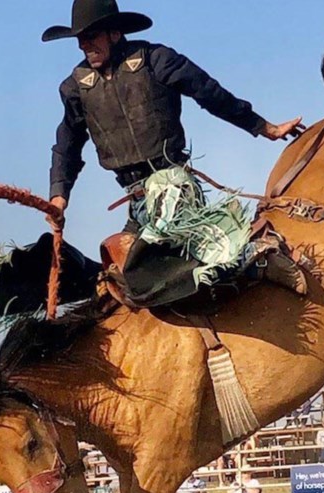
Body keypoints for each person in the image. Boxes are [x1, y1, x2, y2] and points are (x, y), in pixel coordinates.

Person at [40, 0, 307, 308]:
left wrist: (263, 127)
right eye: (80, 39)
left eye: (92, 36)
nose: (85, 44)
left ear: (114, 34)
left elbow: (209, 93)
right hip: (137, 200)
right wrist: (59, 195)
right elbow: (67, 145)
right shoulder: (75, 88)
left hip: (172, 185)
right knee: (124, 282)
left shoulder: (156, 60)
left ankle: (261, 255)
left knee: (161, 263)